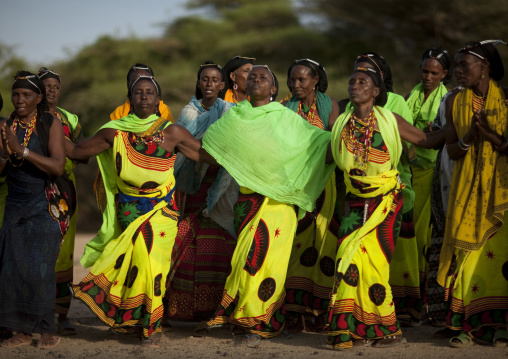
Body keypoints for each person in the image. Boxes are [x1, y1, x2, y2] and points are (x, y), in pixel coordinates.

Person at [68, 76, 210, 346]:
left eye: (149, 93)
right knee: (133, 265)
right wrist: (49, 140)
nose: (144, 96)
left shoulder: (173, 132)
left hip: (162, 209)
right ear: (130, 100)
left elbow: (204, 154)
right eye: (138, 93)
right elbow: (78, 151)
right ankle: (130, 320)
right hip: (129, 210)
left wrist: (241, 152)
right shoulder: (114, 132)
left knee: (151, 264)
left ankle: (152, 324)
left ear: (158, 100)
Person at [202, 65, 335, 344]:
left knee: (271, 263)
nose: (257, 79)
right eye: (252, 76)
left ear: (274, 89)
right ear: (243, 86)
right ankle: (246, 317)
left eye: (264, 77)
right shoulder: (234, 117)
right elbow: (212, 150)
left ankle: (260, 322)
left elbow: (318, 144)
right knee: (247, 261)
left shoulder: (287, 119)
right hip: (247, 201)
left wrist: (352, 133)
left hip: (280, 204)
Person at [327, 66, 445, 350]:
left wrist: (459, 130)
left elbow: (425, 140)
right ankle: (348, 327)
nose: (355, 85)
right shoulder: (342, 123)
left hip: (386, 201)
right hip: (354, 201)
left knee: (376, 265)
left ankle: (388, 329)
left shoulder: (390, 119)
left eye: (363, 82)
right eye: (352, 81)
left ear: (376, 92)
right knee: (348, 260)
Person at [437, 40, 508, 348]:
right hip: (466, 190)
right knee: (464, 255)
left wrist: (491, 136)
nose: (458, 71)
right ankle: (466, 324)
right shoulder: (454, 102)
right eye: (457, 65)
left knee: (498, 259)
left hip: (500, 194)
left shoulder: (505, 99)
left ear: (485, 67)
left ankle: (499, 324)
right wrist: (469, 136)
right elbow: (452, 151)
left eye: (464, 65)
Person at [348, 52, 421, 324]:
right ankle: (365, 309)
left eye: (366, 74)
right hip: (357, 189)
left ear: (378, 82)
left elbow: (404, 142)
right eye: (355, 74)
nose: (358, 82)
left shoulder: (396, 103)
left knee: (396, 247)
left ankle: (404, 307)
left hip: (393, 181)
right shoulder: (350, 109)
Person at [166, 62, 237, 320]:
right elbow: (177, 151)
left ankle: (213, 310)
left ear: (222, 85)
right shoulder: (188, 113)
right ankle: (182, 310)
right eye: (204, 79)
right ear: (199, 83)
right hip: (193, 189)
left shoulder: (231, 112)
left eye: (214, 80)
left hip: (219, 187)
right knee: (187, 242)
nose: (209, 84)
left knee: (217, 247)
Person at [0, 71, 66, 349]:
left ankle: (47, 328)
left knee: (40, 267)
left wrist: (21, 150)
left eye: (26, 94)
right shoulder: (5, 126)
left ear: (39, 98)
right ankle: (21, 331)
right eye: (15, 94)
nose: (19, 99)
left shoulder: (50, 123)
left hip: (44, 203)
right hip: (15, 204)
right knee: (13, 268)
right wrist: (5, 154)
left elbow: (57, 166)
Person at [281, 58, 340, 331]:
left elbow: (336, 141)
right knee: (294, 243)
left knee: (323, 240)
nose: (296, 85)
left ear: (315, 80)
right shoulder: (284, 108)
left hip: (324, 185)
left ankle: (318, 310)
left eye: (302, 79)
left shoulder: (330, 106)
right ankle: (292, 310)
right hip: (295, 185)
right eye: (292, 80)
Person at [405, 49, 451, 322]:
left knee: (424, 236)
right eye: (425, 71)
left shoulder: (446, 98)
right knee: (410, 235)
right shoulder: (413, 93)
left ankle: (425, 297)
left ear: (444, 74)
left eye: (435, 73)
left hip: (433, 169)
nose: (428, 77)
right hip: (411, 169)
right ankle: (412, 295)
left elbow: (435, 132)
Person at [38, 67, 83, 336]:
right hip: (38, 187)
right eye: (46, 86)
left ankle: (63, 315)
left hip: (66, 189)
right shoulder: (29, 118)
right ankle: (36, 313)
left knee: (64, 253)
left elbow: (78, 152)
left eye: (56, 86)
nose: (52, 90)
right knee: (40, 251)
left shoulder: (71, 119)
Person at [110, 63, 174, 122]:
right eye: (135, 81)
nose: (141, 84)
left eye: (146, 80)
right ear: (128, 84)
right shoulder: (119, 112)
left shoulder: (163, 110)